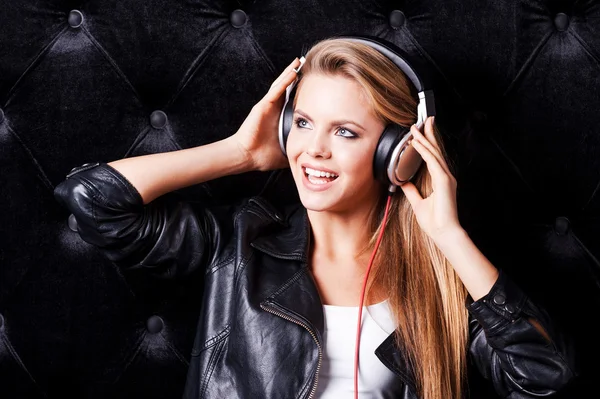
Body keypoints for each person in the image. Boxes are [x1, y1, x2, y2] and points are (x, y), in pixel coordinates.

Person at [54, 37, 576, 399]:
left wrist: (448, 235)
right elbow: (93, 200)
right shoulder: (238, 245)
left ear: (397, 153)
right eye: (302, 123)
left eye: (345, 132)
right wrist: (238, 152)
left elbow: (542, 380)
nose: (313, 150)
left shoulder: (440, 279)